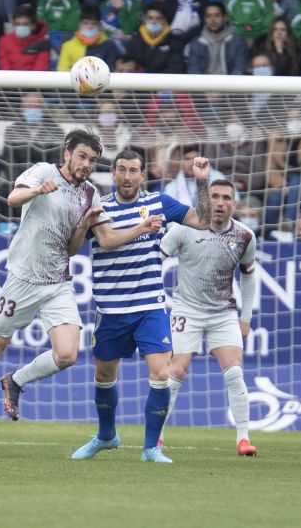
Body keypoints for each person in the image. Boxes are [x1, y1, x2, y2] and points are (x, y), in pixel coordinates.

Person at [0, 129, 163, 455]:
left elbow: (75, 249)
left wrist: (86, 227)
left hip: (58, 282)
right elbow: (11, 198)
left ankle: (15, 381)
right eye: (82, 156)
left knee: (68, 354)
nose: (86, 164)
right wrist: (37, 191)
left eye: (93, 160)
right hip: (23, 279)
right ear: (67, 153)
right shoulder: (43, 171)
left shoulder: (90, 195)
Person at [69, 150, 214, 463]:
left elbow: (203, 221)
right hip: (110, 309)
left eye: (133, 170)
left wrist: (202, 183)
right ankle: (107, 436)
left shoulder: (159, 202)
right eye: (121, 169)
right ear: (114, 173)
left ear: (142, 174)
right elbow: (105, 242)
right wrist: (143, 228)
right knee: (104, 375)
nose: (126, 176)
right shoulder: (99, 206)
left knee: (161, 373)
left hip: (150, 306)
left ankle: (151, 448)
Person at [158, 178, 259, 457]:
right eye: (215, 196)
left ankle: (243, 439)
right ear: (207, 200)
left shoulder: (245, 236)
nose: (220, 202)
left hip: (222, 313)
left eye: (226, 198)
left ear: (234, 204)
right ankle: (157, 437)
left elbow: (249, 276)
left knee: (235, 371)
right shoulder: (182, 230)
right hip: (186, 310)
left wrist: (246, 317)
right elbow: (156, 259)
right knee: (176, 371)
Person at [186, 2, 250, 76]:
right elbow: (193, 70)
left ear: (225, 18)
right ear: (204, 19)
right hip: (204, 85)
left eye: (217, 15)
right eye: (208, 16)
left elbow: (240, 68)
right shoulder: (196, 43)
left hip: (231, 85)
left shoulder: (238, 41)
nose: (213, 19)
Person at [125, 3, 186, 74]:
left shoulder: (174, 42)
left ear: (164, 20)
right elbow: (129, 64)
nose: (154, 22)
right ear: (144, 19)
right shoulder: (135, 40)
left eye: (158, 18)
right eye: (150, 18)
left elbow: (175, 68)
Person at [56, 5, 120, 72]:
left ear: (100, 26)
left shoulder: (109, 45)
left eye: (94, 23)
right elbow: (61, 71)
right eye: (85, 23)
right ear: (79, 25)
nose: (89, 27)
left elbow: (111, 72)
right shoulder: (68, 46)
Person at [0, 4, 51, 71]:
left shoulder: (43, 43)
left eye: (25, 24)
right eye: (17, 24)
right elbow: (4, 67)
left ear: (33, 26)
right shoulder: (4, 41)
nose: (21, 27)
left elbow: (40, 70)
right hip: (10, 80)